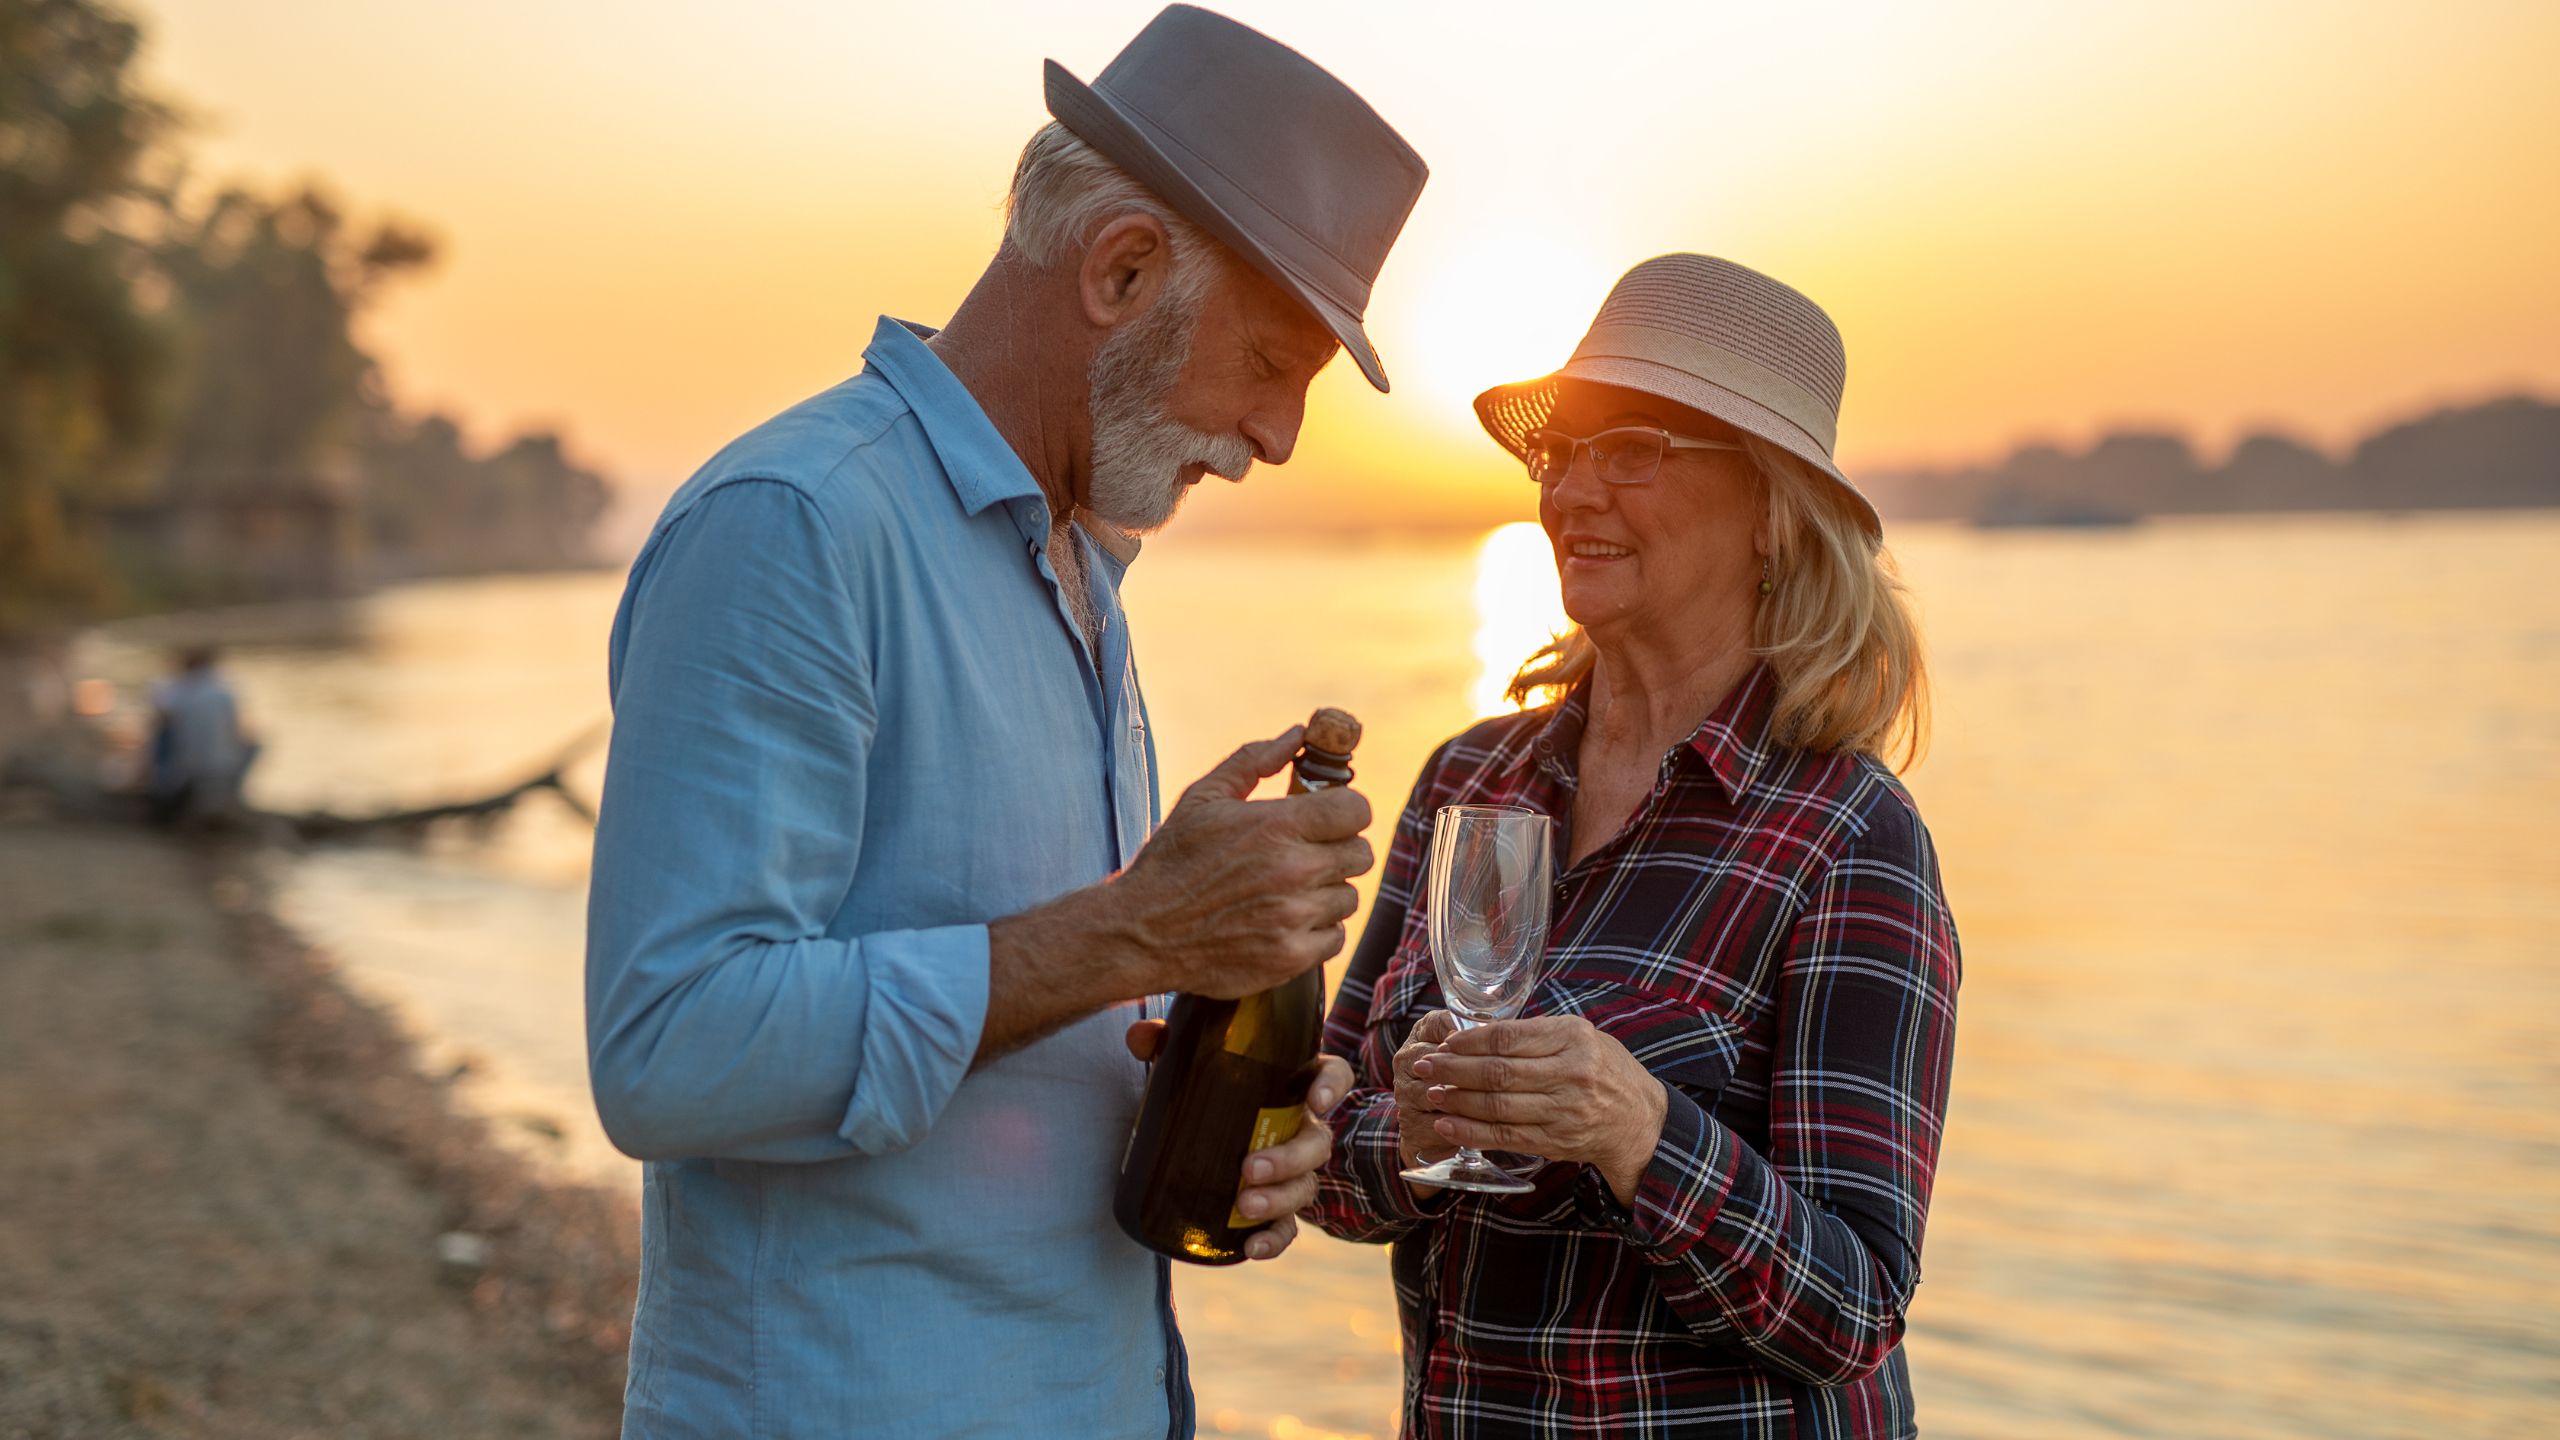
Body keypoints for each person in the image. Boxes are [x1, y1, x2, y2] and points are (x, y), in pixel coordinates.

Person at [583, 8, 1427, 1438]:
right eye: (1276, 361)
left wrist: (1234, 1109)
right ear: (1122, 269)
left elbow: (1032, 1015)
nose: (1281, 435)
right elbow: (667, 1048)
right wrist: (1134, 931)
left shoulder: (1079, 568)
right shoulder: (797, 528)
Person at [1307, 254, 1961, 1438]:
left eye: (1634, 450)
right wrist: (1410, 1137)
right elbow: (1326, 1149)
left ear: (1769, 511)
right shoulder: (1467, 783)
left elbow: (1851, 1308)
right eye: (1563, 453)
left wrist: (1637, 1133)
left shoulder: (1847, 837)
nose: (1568, 494)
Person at [147, 644, 258, 826]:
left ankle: (166, 788)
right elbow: (239, 732)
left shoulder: (174, 693)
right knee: (253, 744)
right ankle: (230, 795)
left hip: (184, 769)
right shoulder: (225, 693)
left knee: (166, 736)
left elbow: (162, 730)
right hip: (215, 767)